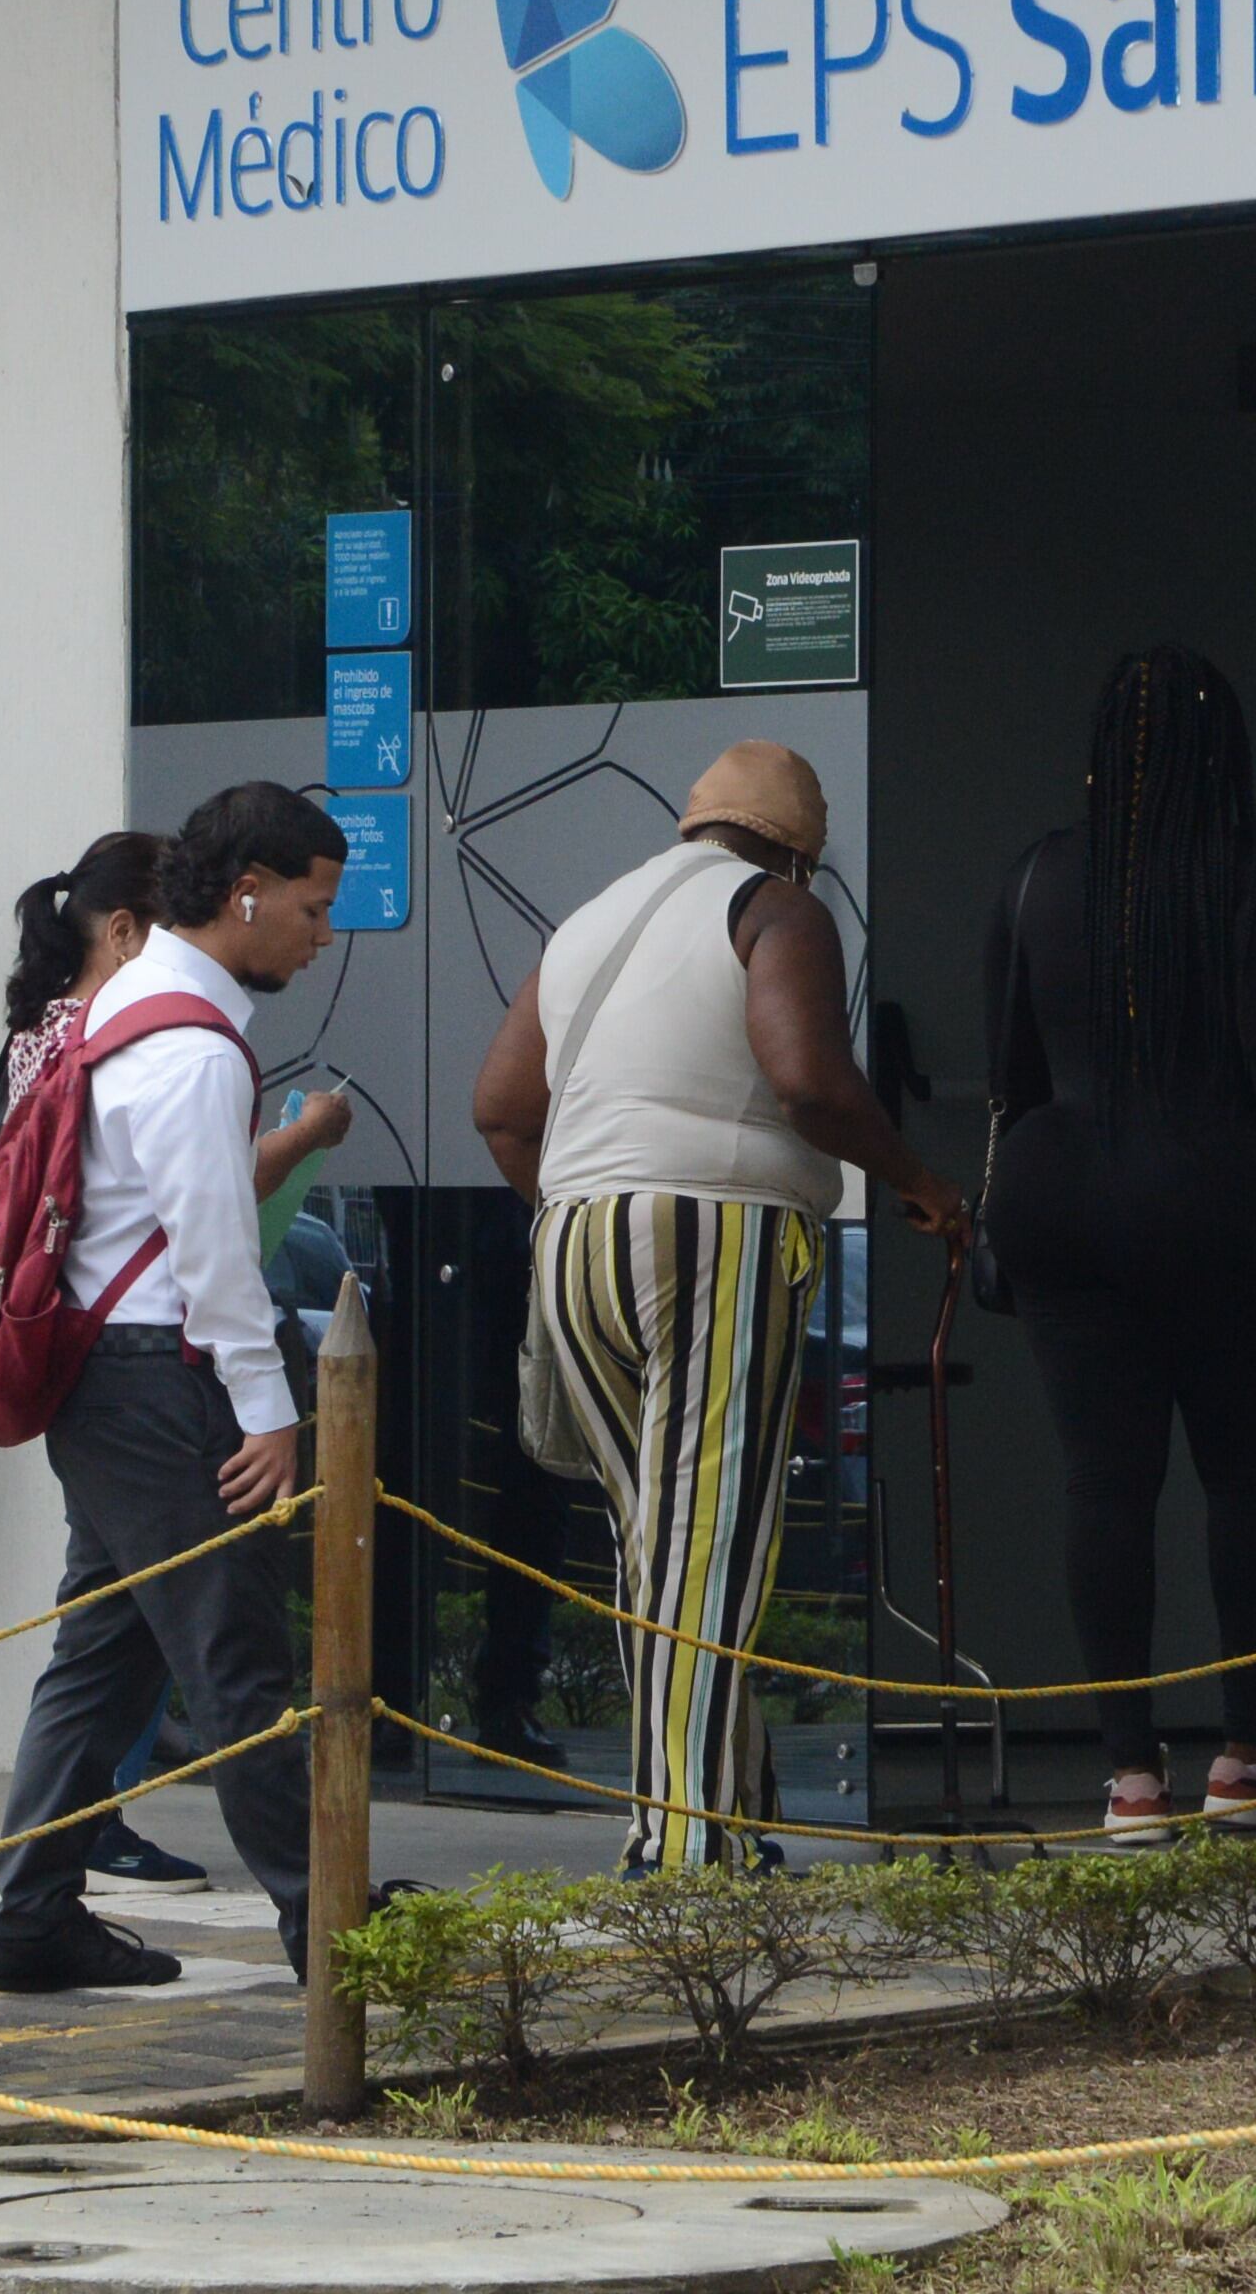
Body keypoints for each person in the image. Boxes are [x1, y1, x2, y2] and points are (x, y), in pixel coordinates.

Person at [470, 743, 966, 1872]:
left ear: (695, 822)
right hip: (713, 1235)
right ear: (799, 848)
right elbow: (809, 1080)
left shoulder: (590, 920)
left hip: (572, 1230)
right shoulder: (775, 909)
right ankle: (682, 1847)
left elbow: (501, 1109)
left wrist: (587, 1197)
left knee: (660, 1543)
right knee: (709, 1545)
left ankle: (731, 1814)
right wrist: (919, 1184)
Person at [0, 786, 344, 1993]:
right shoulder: (191, 1043)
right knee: (234, 1651)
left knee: (109, 1649)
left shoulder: (129, 996)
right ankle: (327, 1924)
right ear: (246, 888)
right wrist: (271, 1411)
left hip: (103, 1380)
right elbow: (212, 1245)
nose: (319, 930)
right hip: (157, 1376)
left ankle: (34, 1915)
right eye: (311, 901)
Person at [981, 646, 1256, 1844]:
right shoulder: (1250, 876)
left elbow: (1012, 1068)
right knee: (1246, 1479)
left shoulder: (1037, 876)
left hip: (1060, 1198)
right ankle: (1244, 1754)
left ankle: (1128, 1777)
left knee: (1104, 1482)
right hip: (1218, 1200)